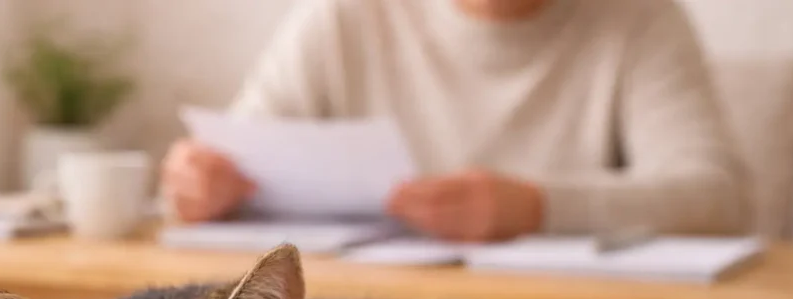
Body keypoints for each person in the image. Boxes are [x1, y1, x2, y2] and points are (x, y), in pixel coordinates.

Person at [160, 0, 749, 243]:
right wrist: (197, 185)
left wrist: (536, 208)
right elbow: (230, 163)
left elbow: (717, 198)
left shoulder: (639, 18)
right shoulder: (344, 16)